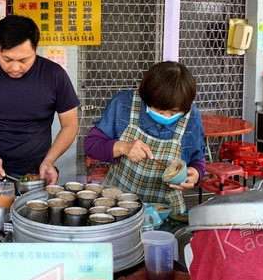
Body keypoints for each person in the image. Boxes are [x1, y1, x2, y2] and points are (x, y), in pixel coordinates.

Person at [0, 15, 80, 190]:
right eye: (6, 59)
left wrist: (50, 160)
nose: (15, 68)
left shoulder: (54, 75)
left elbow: (70, 125)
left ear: (36, 49)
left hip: (35, 176)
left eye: (23, 60)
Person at [83, 61, 205, 216]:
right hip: (118, 204)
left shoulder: (191, 116)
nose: (167, 117)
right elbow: (91, 145)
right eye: (160, 110)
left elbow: (197, 160)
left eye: (174, 112)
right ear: (146, 98)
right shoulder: (123, 104)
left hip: (165, 211)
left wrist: (194, 174)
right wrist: (122, 147)